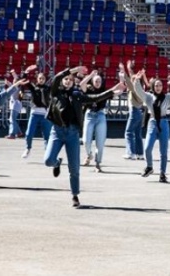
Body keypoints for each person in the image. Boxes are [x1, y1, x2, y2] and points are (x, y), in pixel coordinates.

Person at [45, 66, 123, 207]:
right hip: (57, 132)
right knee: (48, 160)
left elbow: (95, 97)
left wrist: (112, 93)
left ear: (74, 82)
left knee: (74, 168)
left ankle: (75, 195)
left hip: (72, 134)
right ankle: (57, 163)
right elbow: (56, 77)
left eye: (70, 80)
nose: (68, 81)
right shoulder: (55, 92)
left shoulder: (77, 94)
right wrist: (72, 70)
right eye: (66, 79)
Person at [120, 61, 170, 183]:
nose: (158, 87)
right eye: (156, 86)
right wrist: (137, 80)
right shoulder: (149, 97)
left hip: (164, 123)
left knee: (163, 151)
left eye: (160, 85)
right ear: (153, 87)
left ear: (163, 87)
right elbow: (139, 92)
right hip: (152, 122)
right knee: (147, 148)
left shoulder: (168, 98)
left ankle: (162, 173)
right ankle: (149, 166)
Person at [81, 71, 112, 171]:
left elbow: (117, 91)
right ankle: (89, 155)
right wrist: (90, 75)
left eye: (99, 81)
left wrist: (121, 81)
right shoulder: (89, 89)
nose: (97, 83)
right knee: (86, 140)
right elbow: (82, 84)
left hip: (100, 115)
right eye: (95, 81)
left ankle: (98, 163)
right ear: (92, 82)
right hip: (89, 114)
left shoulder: (104, 91)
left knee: (100, 142)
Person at [20, 65, 53, 158]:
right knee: (29, 133)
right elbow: (23, 81)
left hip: (45, 114)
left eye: (43, 78)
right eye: (40, 78)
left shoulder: (48, 88)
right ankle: (28, 148)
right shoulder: (33, 87)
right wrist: (26, 71)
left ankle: (48, 152)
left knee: (47, 135)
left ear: (45, 79)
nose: (41, 80)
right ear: (37, 79)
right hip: (34, 113)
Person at [122, 61, 145, 160]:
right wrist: (129, 68)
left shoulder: (135, 88)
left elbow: (129, 83)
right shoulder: (140, 88)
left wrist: (124, 72)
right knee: (137, 133)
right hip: (139, 111)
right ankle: (140, 154)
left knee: (128, 132)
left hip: (135, 111)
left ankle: (130, 153)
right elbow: (132, 78)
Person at [4, 70, 25, 139]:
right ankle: (19, 132)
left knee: (12, 119)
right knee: (13, 119)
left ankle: (12, 134)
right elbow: (10, 84)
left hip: (15, 105)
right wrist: (12, 74)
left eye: (15, 81)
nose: (13, 81)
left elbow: (15, 81)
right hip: (15, 105)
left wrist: (13, 73)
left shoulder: (17, 88)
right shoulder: (15, 87)